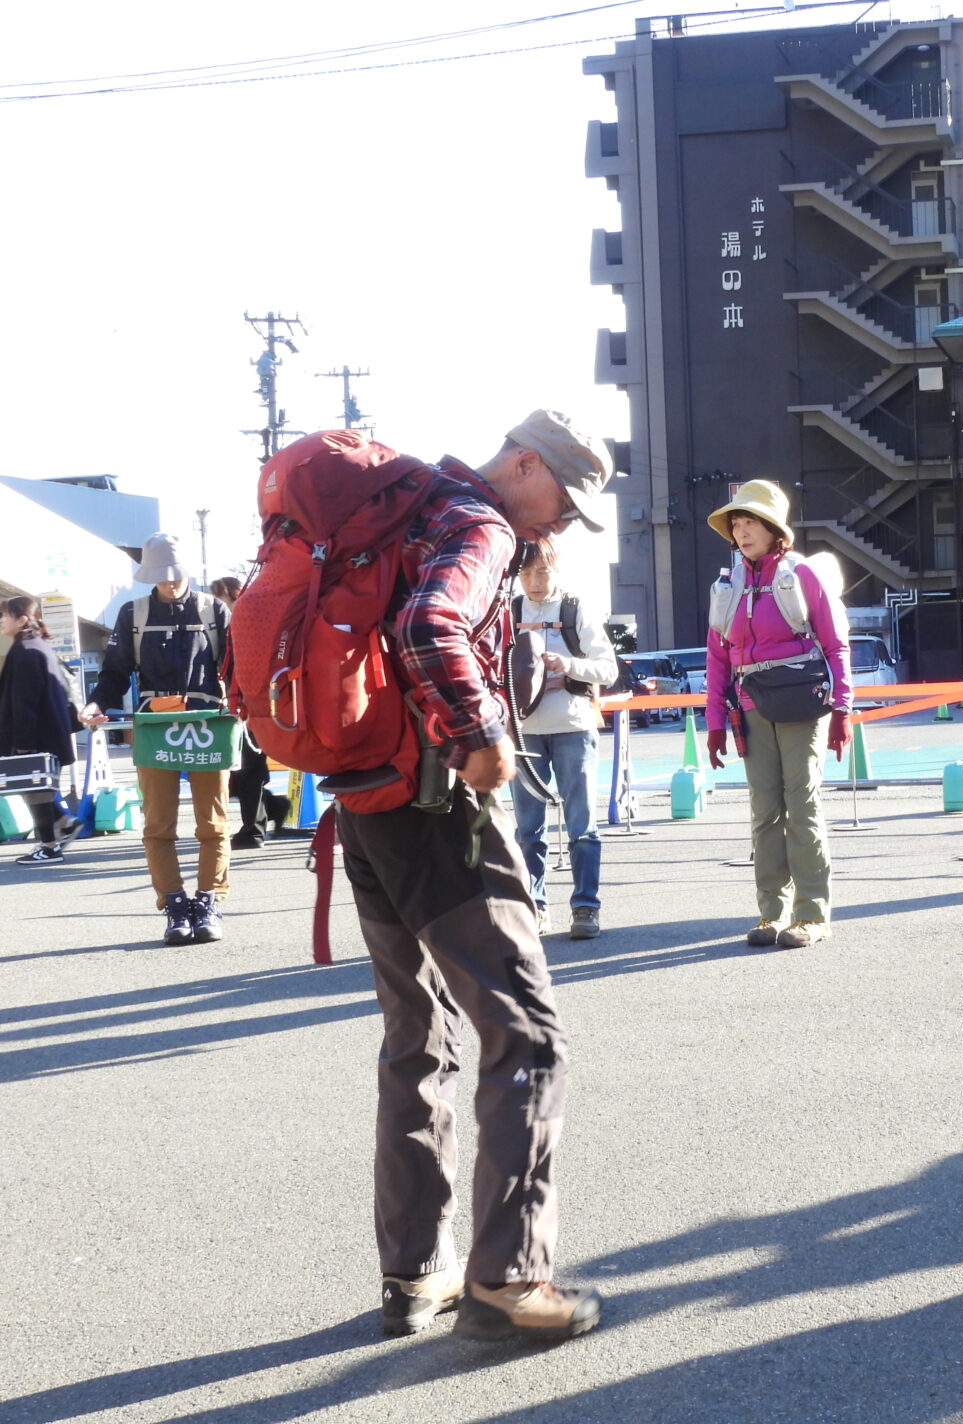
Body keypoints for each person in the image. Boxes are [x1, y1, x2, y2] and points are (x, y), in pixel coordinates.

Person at [337, 410, 609, 1342]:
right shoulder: (480, 521)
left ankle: (415, 1272)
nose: (561, 524)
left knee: (419, 1041)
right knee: (528, 1035)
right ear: (524, 462)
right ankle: (507, 1278)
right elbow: (429, 622)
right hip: (434, 810)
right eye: (564, 500)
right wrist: (481, 738)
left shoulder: (406, 507)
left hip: (363, 804)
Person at [702, 480, 853, 950]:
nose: (742, 532)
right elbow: (717, 660)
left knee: (802, 806)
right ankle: (772, 913)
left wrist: (844, 707)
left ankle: (811, 914)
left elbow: (835, 643)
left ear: (773, 529)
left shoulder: (801, 575)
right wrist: (712, 723)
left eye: (750, 523)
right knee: (764, 812)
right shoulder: (727, 586)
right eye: (737, 525)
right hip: (750, 708)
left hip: (803, 706)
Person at [82, 533, 233, 946]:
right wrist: (97, 703)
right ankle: (173, 904)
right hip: (154, 725)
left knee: (213, 823)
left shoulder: (214, 610)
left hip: (209, 725)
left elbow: (236, 668)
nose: (169, 583)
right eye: (161, 577)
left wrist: (248, 703)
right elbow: (114, 672)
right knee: (158, 824)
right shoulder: (134, 613)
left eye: (175, 576)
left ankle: (208, 900)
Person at [510, 539, 618, 940]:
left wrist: (567, 665)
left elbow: (608, 669)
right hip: (524, 734)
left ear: (558, 570)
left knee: (582, 825)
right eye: (525, 574)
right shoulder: (510, 612)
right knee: (527, 829)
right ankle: (534, 908)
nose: (534, 582)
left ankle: (585, 908)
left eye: (542, 572)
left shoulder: (576, 609)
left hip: (574, 727)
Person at [0, 595, 79, 864]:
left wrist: (24, 744)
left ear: (22, 620)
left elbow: (24, 702)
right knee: (38, 790)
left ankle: (49, 846)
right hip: (50, 734)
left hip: (35, 737)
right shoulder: (39, 646)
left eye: (5, 615)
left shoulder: (25, 651)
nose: (0, 620)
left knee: (35, 791)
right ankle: (65, 823)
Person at [210, 575, 274, 850]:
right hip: (256, 703)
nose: (217, 603)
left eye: (220, 597)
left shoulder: (242, 624)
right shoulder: (249, 621)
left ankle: (254, 829)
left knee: (248, 768)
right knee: (249, 768)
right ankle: (270, 813)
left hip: (250, 705)